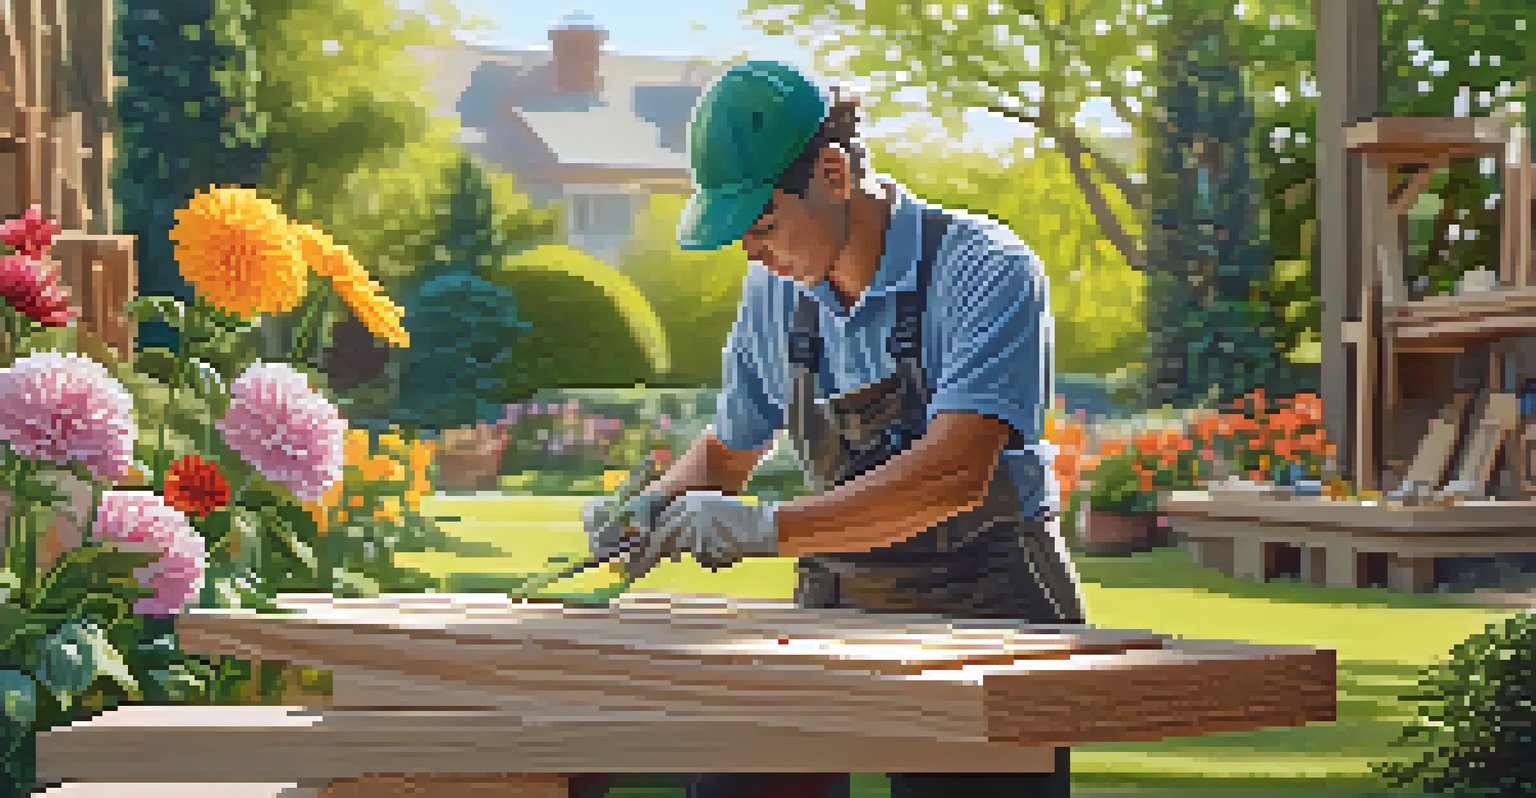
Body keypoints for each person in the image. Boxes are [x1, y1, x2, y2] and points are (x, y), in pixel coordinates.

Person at [576, 60, 1086, 798]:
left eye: (764, 225)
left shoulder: (987, 271)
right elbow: (728, 451)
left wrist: (763, 530)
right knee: (736, 785)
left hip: (988, 608)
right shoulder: (773, 294)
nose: (752, 252)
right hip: (837, 602)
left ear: (832, 174)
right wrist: (648, 511)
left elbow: (955, 472)